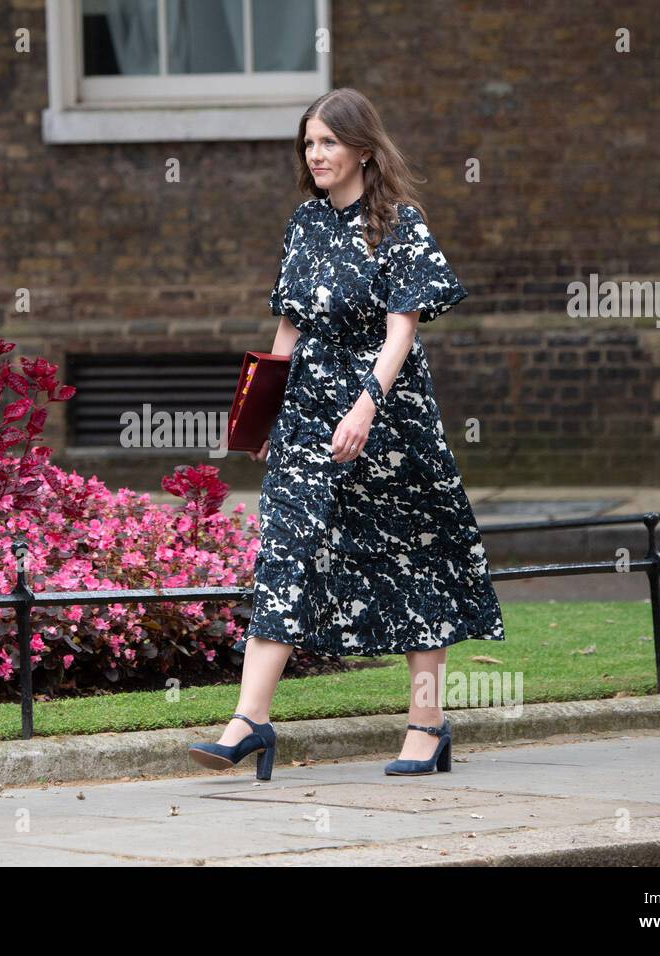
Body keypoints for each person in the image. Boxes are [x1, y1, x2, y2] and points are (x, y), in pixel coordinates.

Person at [188, 88, 505, 781]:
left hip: (389, 417)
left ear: (363, 147)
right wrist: (265, 412)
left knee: (412, 561)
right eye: (308, 143)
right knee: (286, 548)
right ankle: (250, 721)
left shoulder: (399, 223)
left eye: (328, 141)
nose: (317, 154)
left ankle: (427, 726)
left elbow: (402, 332)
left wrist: (364, 407)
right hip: (306, 410)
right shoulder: (304, 224)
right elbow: (288, 326)